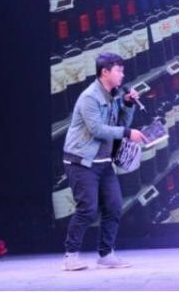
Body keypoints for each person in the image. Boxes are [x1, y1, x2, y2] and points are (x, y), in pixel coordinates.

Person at [62, 52, 148, 271]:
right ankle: (71, 255)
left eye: (122, 70)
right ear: (105, 72)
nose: (122, 75)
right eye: (118, 70)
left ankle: (106, 254)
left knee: (114, 206)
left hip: (103, 161)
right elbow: (97, 129)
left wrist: (128, 105)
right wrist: (128, 133)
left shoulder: (115, 95)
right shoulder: (90, 97)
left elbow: (119, 123)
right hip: (82, 161)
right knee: (87, 209)